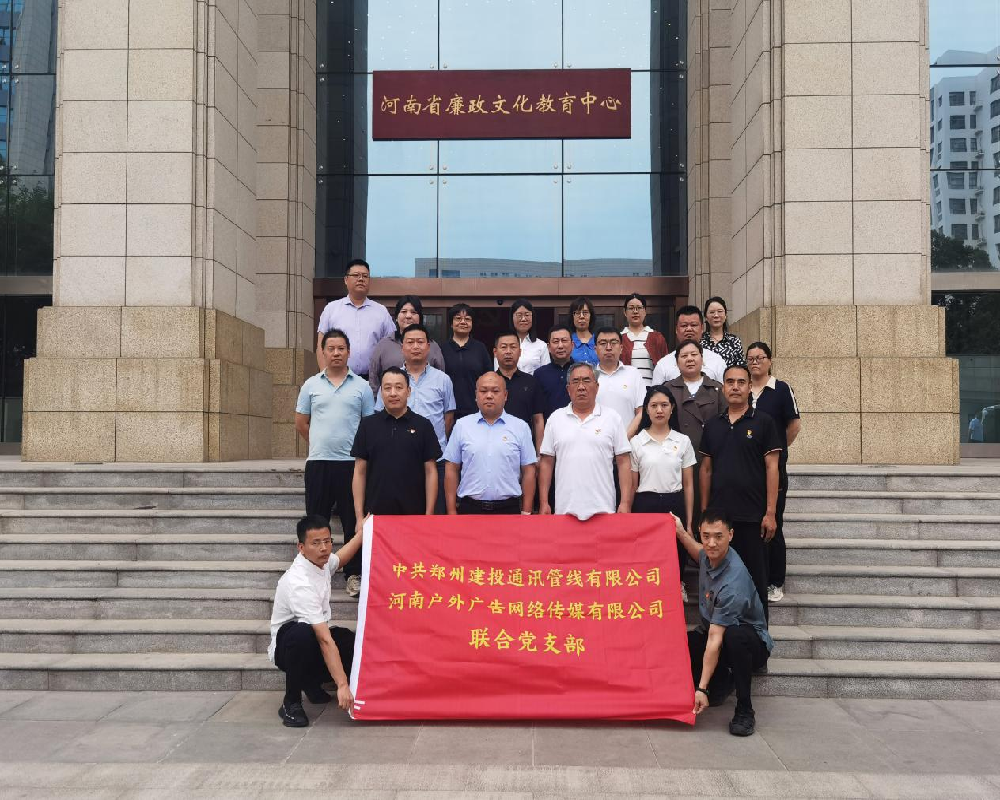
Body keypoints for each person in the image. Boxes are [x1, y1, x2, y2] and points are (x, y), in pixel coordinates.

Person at [677, 508, 774, 737]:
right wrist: (680, 530)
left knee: (734, 637)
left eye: (718, 536)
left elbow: (715, 639)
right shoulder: (709, 555)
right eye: (706, 536)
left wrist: (701, 688)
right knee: (683, 642)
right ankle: (720, 682)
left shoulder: (733, 582)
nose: (711, 543)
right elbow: (697, 551)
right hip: (718, 634)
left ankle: (744, 710)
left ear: (730, 535)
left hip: (749, 643)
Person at [294, 328, 375, 599]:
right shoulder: (311, 385)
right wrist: (320, 442)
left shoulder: (361, 387)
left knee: (353, 520)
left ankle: (353, 574)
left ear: (349, 352)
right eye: (331, 348)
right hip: (319, 463)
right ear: (323, 352)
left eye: (341, 348)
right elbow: (301, 423)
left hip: (351, 465)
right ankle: (313, 573)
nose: (336, 353)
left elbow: (368, 426)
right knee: (316, 521)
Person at [699, 364, 782, 615]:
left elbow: (772, 468)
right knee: (718, 581)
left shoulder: (764, 422)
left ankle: (758, 635)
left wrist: (770, 513)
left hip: (753, 517)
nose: (735, 387)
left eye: (741, 382)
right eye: (730, 382)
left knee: (755, 579)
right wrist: (705, 513)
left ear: (749, 387)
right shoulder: (712, 425)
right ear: (723, 387)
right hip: (720, 521)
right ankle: (719, 633)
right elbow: (706, 470)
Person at [269, 514, 363, 727]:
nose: (324, 548)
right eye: (316, 543)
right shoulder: (299, 583)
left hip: (313, 640)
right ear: (301, 547)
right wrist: (342, 685)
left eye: (327, 541)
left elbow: (340, 559)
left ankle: (310, 681)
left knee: (348, 641)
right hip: (289, 648)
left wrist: (362, 534)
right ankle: (291, 703)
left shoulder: (320, 561)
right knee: (303, 633)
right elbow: (324, 639)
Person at [375, 325, 455, 514]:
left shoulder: (443, 380)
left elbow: (448, 417)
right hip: (399, 460)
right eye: (410, 342)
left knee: (434, 518)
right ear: (402, 347)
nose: (415, 346)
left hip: (436, 459)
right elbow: (381, 415)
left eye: (420, 342)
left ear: (428, 347)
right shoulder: (391, 380)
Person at [539, 362, 632, 520]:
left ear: (597, 386)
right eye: (575, 381)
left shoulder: (612, 418)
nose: (581, 387)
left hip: (604, 510)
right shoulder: (555, 419)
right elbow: (547, 462)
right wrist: (543, 502)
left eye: (586, 381)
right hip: (565, 511)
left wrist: (625, 502)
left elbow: (623, 461)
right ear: (568, 389)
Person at [629, 385, 696, 601]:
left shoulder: (682, 441)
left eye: (664, 405)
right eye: (654, 405)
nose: (659, 410)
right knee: (647, 551)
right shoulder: (637, 442)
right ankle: (647, 591)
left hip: (674, 501)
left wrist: (690, 522)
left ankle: (678, 583)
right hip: (645, 503)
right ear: (646, 409)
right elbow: (632, 485)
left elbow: (688, 484)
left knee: (676, 548)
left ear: (672, 408)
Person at [747, 341, 802, 604]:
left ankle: (775, 581)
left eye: (760, 357)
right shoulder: (743, 388)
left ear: (769, 361)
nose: (755, 362)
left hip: (774, 469)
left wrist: (777, 449)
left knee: (773, 523)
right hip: (747, 469)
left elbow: (794, 425)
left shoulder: (781, 389)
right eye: (751, 358)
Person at [352, 366, 441, 523]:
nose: (393, 393)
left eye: (399, 387)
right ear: (381, 392)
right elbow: (359, 472)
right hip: (375, 516)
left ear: (408, 391)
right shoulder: (368, 426)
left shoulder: (423, 426)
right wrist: (359, 517)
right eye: (387, 388)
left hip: (414, 516)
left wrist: (429, 515)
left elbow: (430, 472)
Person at [443, 372, 537, 515]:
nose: (489, 396)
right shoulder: (462, 425)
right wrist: (451, 511)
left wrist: (526, 511)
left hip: (508, 510)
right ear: (476, 395)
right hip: (470, 509)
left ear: (505, 395)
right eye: (483, 391)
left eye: (495, 391)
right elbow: (451, 468)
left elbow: (529, 471)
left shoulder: (520, 427)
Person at [664, 340, 726, 529]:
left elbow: (726, 424)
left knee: (709, 514)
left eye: (694, 355)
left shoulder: (716, 389)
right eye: (684, 356)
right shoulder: (668, 389)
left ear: (702, 359)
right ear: (677, 362)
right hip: (675, 460)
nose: (689, 359)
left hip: (710, 460)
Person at [315, 258, 395, 378]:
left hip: (372, 380)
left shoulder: (381, 311)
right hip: (339, 378)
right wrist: (324, 377)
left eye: (365, 276)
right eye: (356, 275)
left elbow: (391, 346)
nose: (361, 279)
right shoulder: (331, 309)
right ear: (346, 280)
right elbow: (321, 346)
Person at [367, 295, 445, 395]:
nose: (408, 316)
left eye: (413, 312)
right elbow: (373, 378)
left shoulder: (432, 346)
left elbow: (441, 378)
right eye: (403, 312)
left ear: (420, 318)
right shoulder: (383, 345)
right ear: (396, 317)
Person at [494, 331, 545, 455]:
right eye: (504, 347)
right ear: (495, 352)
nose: (508, 351)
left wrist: (539, 454)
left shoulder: (531, 382)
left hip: (525, 449)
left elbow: (538, 420)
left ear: (520, 352)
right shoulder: (489, 383)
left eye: (513, 347)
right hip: (495, 448)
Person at [441, 303, 492, 420]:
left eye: (467, 319)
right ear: (451, 323)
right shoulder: (442, 349)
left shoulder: (480, 348)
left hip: (476, 411)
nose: (463, 322)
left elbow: (489, 377)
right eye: (458, 318)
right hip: (447, 412)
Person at [652, 305, 727, 384]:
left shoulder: (717, 361)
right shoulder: (663, 365)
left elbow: (725, 390)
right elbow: (656, 391)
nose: (689, 329)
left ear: (702, 328)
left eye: (693, 325)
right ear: (676, 330)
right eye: (684, 325)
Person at [594, 327, 644, 439]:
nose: (608, 347)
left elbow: (641, 412)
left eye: (613, 342)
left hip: (629, 442)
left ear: (621, 348)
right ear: (595, 349)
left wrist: (624, 440)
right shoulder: (589, 377)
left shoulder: (634, 374)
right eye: (603, 343)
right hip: (596, 443)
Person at [621, 293, 668, 385]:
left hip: (652, 389)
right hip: (628, 388)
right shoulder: (619, 339)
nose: (635, 311)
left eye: (639, 308)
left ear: (645, 311)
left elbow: (665, 366)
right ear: (625, 312)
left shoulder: (657, 337)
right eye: (631, 308)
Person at [534, 324, 574, 419]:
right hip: (549, 426)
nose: (560, 346)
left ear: (572, 345)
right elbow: (537, 411)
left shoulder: (581, 371)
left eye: (564, 340)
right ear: (548, 347)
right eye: (556, 341)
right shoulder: (539, 374)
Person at [701, 296, 745, 369]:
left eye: (720, 311)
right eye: (712, 312)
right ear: (706, 317)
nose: (716, 315)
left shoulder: (734, 340)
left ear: (725, 316)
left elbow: (741, 367)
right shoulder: (699, 341)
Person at [509, 299, 550, 374]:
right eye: (519, 315)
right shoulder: (503, 345)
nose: (523, 319)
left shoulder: (541, 346)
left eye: (527, 315)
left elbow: (546, 374)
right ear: (512, 318)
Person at [568, 296, 599, 365]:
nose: (581, 316)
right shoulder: (567, 341)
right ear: (572, 316)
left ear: (591, 316)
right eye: (577, 313)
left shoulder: (599, 341)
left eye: (585, 312)